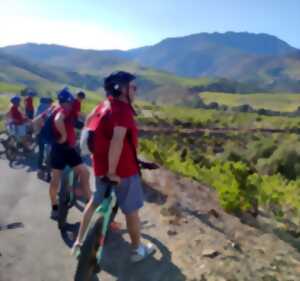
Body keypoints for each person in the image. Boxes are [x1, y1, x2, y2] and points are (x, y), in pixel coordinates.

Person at [73, 71, 155, 262]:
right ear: (122, 89)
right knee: (131, 211)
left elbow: (87, 126)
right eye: (133, 87)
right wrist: (112, 172)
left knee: (94, 202)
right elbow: (117, 141)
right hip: (122, 171)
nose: (136, 90)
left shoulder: (103, 105)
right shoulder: (122, 110)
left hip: (100, 166)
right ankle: (137, 250)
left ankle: (78, 242)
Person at [49, 88, 91, 220]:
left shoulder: (55, 108)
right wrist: (64, 135)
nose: (72, 103)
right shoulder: (62, 111)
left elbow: (73, 122)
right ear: (66, 102)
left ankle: (54, 208)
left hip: (56, 148)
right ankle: (90, 204)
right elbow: (58, 120)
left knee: (55, 179)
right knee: (85, 172)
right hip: (67, 149)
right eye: (70, 101)